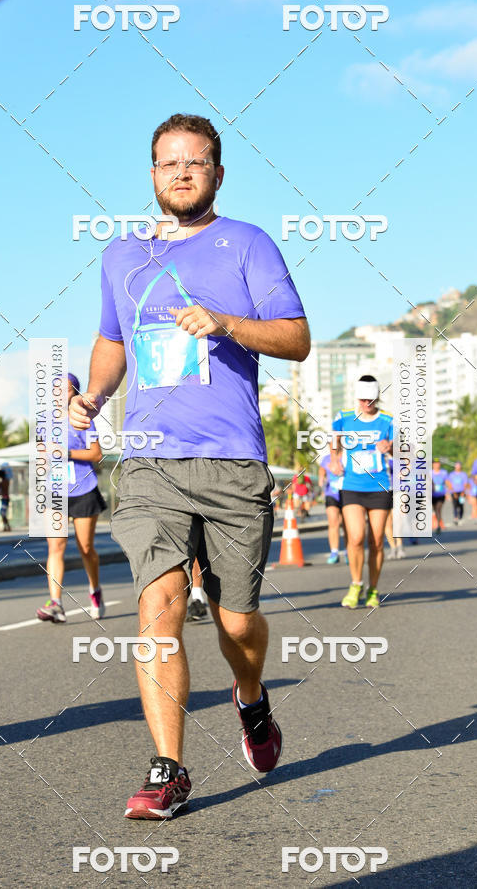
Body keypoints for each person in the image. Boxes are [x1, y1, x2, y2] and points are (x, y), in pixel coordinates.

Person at [70, 113, 310, 819]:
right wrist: (94, 396)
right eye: (169, 162)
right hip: (150, 461)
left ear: (218, 174)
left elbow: (296, 337)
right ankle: (168, 768)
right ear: (152, 174)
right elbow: (112, 340)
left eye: (195, 161)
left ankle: (251, 697)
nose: (181, 172)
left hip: (232, 459)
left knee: (236, 623)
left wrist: (227, 322)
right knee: (159, 606)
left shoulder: (248, 243)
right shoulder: (120, 255)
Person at [36, 374, 107, 624]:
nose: (58, 393)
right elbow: (41, 454)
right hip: (54, 490)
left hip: (83, 488)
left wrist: (66, 452)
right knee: (56, 546)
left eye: (64, 389)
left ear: (74, 392)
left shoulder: (83, 418)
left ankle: (95, 590)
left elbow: (97, 454)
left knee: (85, 548)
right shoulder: (43, 421)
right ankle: (56, 603)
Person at [330, 375, 393, 610]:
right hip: (352, 485)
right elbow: (334, 441)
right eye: (363, 398)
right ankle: (356, 584)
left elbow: (402, 451)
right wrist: (334, 459)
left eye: (371, 399)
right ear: (357, 397)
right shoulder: (344, 417)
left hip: (379, 487)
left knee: (376, 541)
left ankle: (373, 589)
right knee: (355, 537)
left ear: (377, 397)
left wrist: (390, 447)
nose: (367, 403)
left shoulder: (387, 421)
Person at [319, 445, 344, 564]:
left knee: (346, 524)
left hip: (346, 492)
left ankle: (349, 550)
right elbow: (321, 472)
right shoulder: (326, 459)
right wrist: (321, 481)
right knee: (333, 522)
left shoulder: (347, 457)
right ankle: (334, 551)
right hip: (331, 493)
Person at [431, 459, 448, 535]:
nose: (436, 465)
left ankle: (438, 525)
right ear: (432, 465)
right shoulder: (430, 473)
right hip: (432, 495)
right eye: (435, 463)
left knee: (438, 509)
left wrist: (449, 492)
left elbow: (447, 482)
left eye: (438, 463)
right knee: (435, 509)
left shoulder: (444, 473)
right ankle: (438, 523)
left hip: (441, 494)